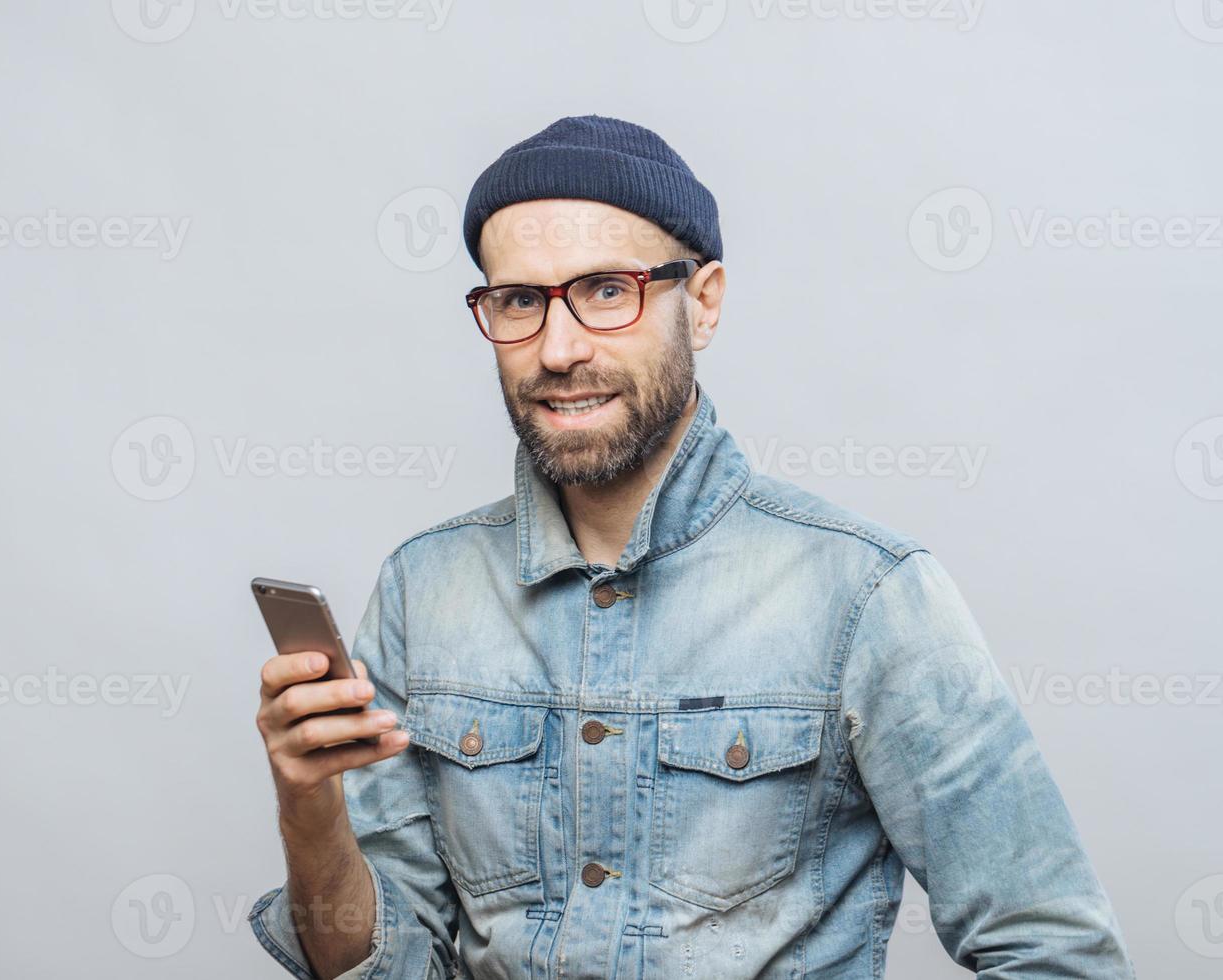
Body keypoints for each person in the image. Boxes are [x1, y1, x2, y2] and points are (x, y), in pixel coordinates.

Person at [248, 114, 1134, 978]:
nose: (557, 350)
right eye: (519, 300)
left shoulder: (866, 593)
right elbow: (386, 966)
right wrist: (309, 805)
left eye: (606, 291)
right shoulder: (422, 587)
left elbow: (1057, 953)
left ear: (702, 303)